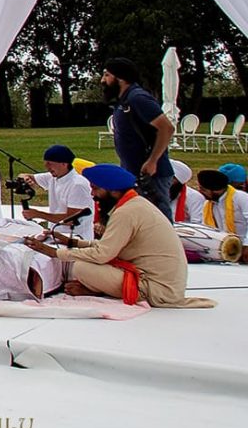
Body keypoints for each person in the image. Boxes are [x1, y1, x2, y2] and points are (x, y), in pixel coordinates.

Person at [24, 164, 215, 308]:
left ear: (114, 191)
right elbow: (111, 245)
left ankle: (98, 291)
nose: (92, 194)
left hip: (156, 289)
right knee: (87, 263)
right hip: (160, 282)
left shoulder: (126, 212)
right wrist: (72, 242)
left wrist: (53, 253)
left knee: (81, 268)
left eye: (96, 189)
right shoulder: (132, 204)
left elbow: (102, 254)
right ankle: (99, 289)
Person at [101, 57, 174, 220]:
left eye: (107, 75)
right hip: (133, 172)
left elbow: (166, 128)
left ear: (120, 77)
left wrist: (153, 160)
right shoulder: (124, 101)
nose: (103, 80)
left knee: (158, 220)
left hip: (150, 175)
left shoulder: (137, 98)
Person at [18, 145, 94, 243]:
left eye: (50, 164)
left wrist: (38, 214)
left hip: (76, 238)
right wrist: (25, 178)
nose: (47, 167)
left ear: (64, 164)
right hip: (54, 235)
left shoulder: (78, 185)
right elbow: (25, 175)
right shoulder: (53, 177)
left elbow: (70, 220)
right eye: (45, 163)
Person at [195, 169, 248, 262]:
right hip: (224, 250)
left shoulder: (241, 197)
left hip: (244, 249)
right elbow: (206, 228)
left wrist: (246, 245)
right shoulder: (208, 204)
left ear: (215, 190)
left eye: (203, 189)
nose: (199, 191)